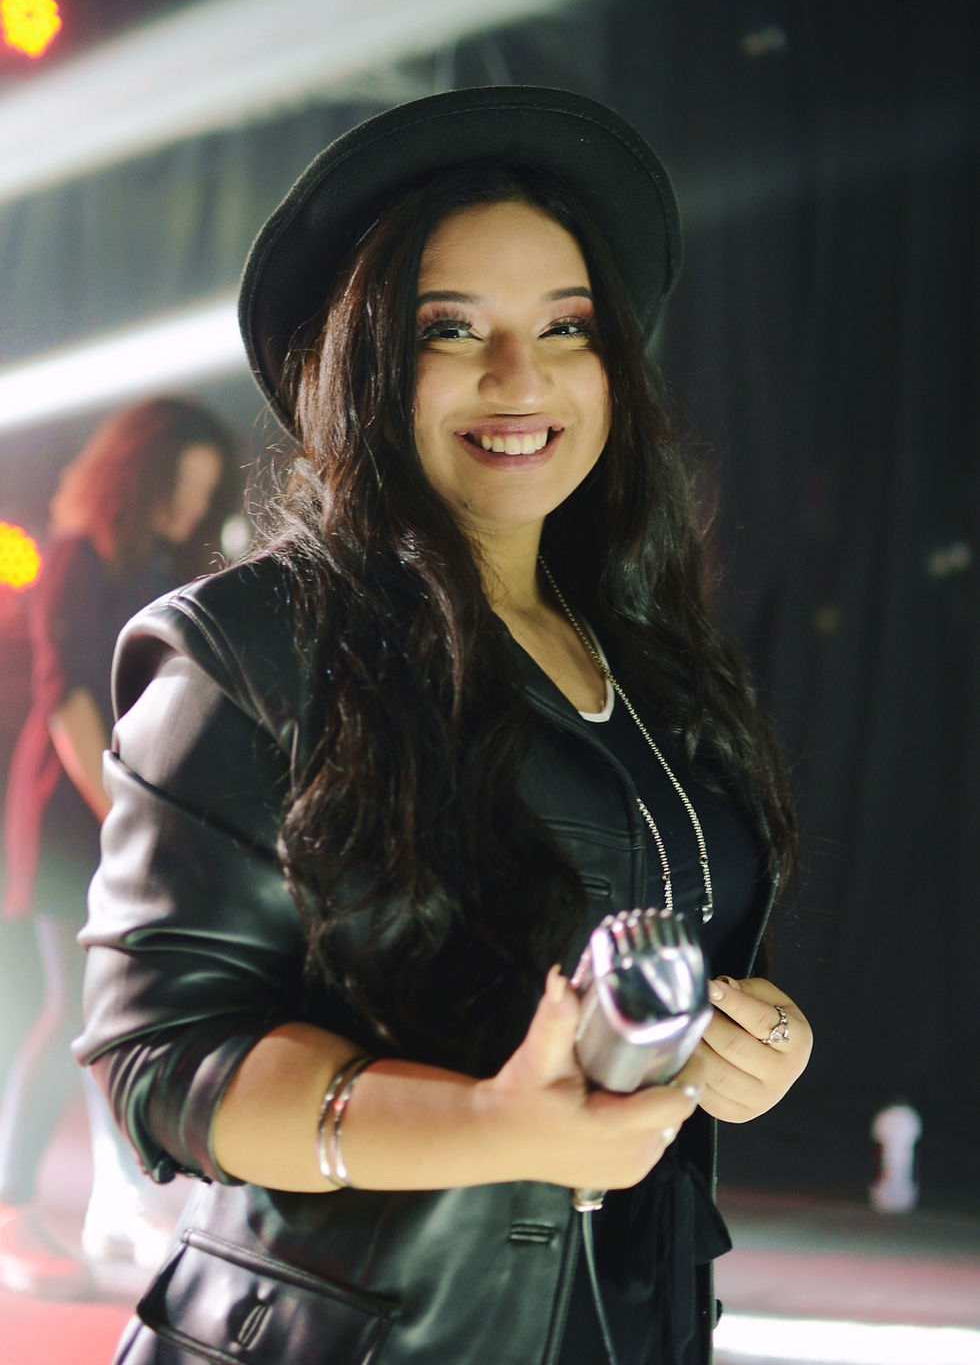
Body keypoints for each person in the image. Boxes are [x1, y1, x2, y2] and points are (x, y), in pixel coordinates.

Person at [73, 87, 812, 1365]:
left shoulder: (651, 656)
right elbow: (162, 1057)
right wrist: (484, 1126)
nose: (519, 378)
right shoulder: (247, 645)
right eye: (450, 329)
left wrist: (757, 1043)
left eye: (565, 326)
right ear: (359, 366)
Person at [0, 397, 236, 1296]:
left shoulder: (159, 569)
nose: (189, 507)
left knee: (116, 1014)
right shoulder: (74, 556)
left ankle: (120, 1203)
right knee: (73, 1011)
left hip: (124, 815)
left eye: (203, 493)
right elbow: (65, 701)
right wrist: (125, 815)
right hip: (73, 821)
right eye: (180, 487)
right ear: (138, 475)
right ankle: (12, 1208)